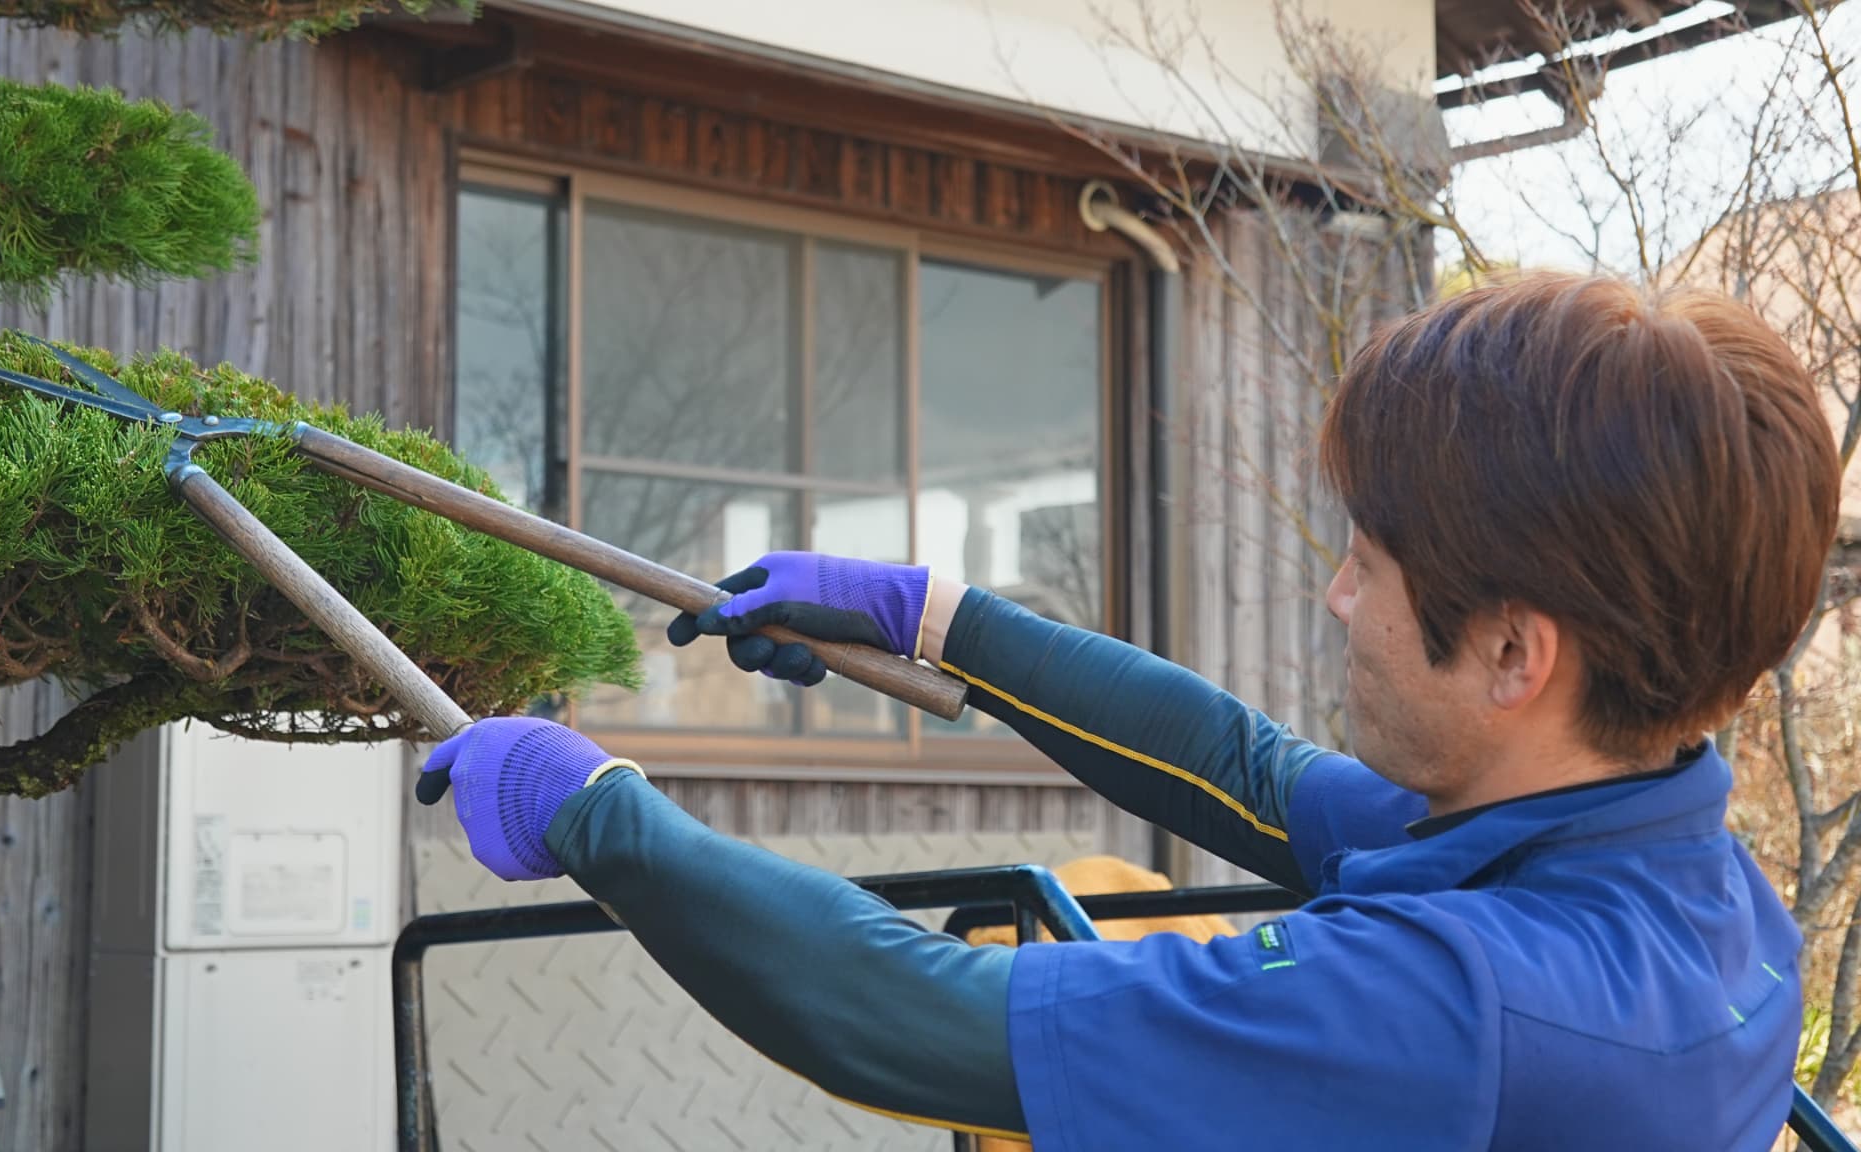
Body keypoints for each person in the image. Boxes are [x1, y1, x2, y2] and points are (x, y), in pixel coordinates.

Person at [418, 271, 1841, 1150]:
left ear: (1516, 653)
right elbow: (1244, 771)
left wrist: (600, 815)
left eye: (1371, 564)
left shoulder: (1467, 1005)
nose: (1340, 599)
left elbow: (917, 1018)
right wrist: (936, 621)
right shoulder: (1679, 883)